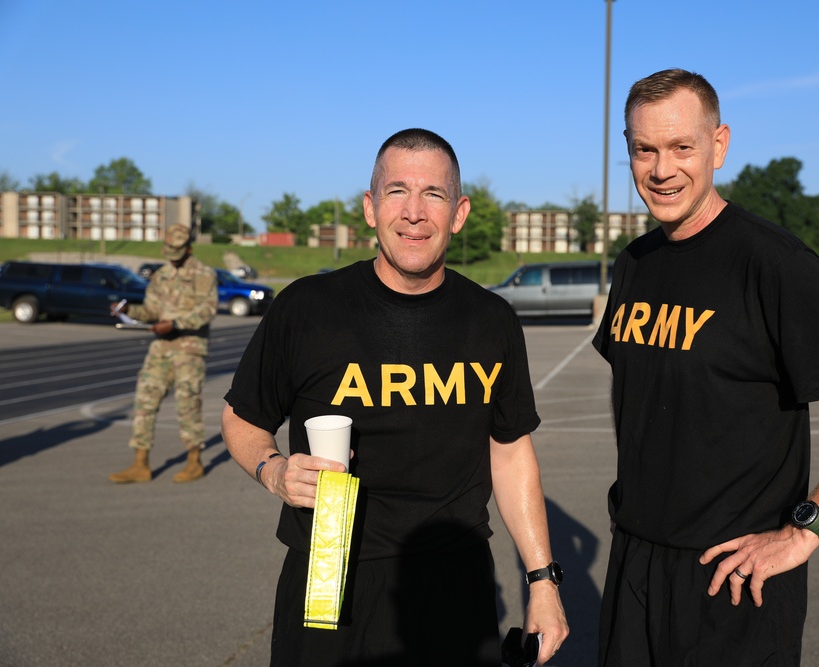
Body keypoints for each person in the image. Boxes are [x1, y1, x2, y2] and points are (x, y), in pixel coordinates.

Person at [592, 68, 819, 666]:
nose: (662, 169)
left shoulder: (773, 263)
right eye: (645, 149)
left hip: (733, 579)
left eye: (681, 147)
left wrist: (805, 532)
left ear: (719, 145)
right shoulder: (634, 264)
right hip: (636, 563)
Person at [221, 128, 569, 666]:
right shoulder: (308, 309)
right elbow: (241, 419)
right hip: (328, 570)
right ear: (369, 206)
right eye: (396, 191)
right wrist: (274, 470)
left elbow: (511, 451)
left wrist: (542, 580)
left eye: (433, 194)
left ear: (458, 213)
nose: (413, 213)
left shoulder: (491, 320)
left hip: (455, 579)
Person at [108, 224, 219, 484]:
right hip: (161, 348)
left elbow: (207, 310)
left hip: (189, 349)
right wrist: (128, 311)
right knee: (145, 401)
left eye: (177, 250)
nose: (172, 255)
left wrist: (176, 324)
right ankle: (140, 464)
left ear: (189, 248)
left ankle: (194, 462)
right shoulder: (161, 276)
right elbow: (151, 311)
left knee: (188, 405)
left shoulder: (203, 274)